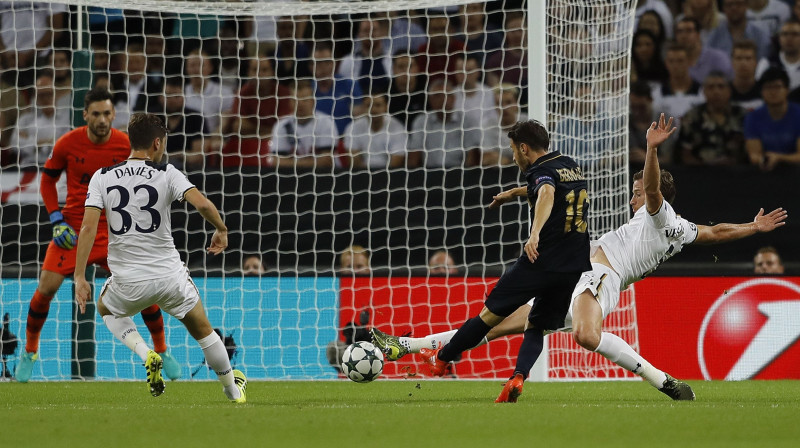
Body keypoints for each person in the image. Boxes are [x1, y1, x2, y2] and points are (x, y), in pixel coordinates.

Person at [372, 114, 788, 402]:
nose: (633, 195)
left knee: (585, 338)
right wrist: (753, 228)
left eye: (636, 190)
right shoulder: (680, 229)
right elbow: (715, 232)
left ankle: (662, 381)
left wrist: (651, 150)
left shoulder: (657, 214)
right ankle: (403, 347)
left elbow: (654, 190)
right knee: (496, 325)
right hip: (578, 280)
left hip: (598, 276)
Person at [73, 113, 246, 402]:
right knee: (204, 331)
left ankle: (146, 353)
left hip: (128, 282)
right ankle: (232, 389)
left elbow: (88, 226)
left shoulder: (101, 176)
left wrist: (79, 275)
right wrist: (221, 229)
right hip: (169, 278)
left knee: (106, 309)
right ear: (157, 142)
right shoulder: (167, 172)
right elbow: (202, 204)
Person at [418, 119, 592, 402]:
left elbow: (546, 192)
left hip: (541, 259)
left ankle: (441, 359)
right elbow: (551, 188)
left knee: (488, 316)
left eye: (513, 150)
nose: (512, 156)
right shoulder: (569, 164)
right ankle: (518, 377)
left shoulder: (540, 171)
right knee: (536, 324)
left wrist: (534, 234)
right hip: (573, 263)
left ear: (524, 148)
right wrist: (513, 193)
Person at [14, 89, 179, 383]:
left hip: (114, 230)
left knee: (140, 289)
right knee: (45, 290)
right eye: (96, 114)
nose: (102, 120)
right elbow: (47, 181)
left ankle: (162, 350)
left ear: (113, 115)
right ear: (85, 115)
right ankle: (30, 351)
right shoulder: (67, 144)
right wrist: (55, 218)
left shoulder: (124, 144)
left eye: (107, 114)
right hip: (74, 229)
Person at [677, 71, 748, 165]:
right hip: (701, 173)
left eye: (721, 87)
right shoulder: (692, 116)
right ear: (704, 92)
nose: (716, 92)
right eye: (711, 87)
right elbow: (684, 154)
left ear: (729, 91)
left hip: (739, 173)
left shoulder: (742, 115)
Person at [744, 67, 800, 170]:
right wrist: (764, 160)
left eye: (777, 87)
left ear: (787, 90)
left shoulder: (798, 114)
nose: (773, 92)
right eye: (768, 88)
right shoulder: (752, 118)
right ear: (762, 92)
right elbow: (754, 155)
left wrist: (779, 158)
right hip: (764, 173)